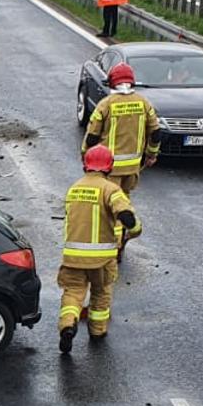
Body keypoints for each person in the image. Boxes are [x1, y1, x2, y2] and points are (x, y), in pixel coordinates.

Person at [57, 145, 139, 353]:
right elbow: (125, 214)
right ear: (109, 167)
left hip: (73, 257)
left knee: (73, 294)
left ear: (86, 165)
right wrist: (135, 229)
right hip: (102, 259)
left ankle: (68, 324)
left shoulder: (73, 189)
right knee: (101, 294)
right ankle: (97, 331)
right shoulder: (110, 189)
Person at [82, 62, 161, 194]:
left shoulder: (106, 104)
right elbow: (156, 132)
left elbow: (92, 136)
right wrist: (151, 155)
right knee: (124, 200)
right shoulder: (144, 103)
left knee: (108, 203)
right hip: (133, 167)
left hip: (107, 166)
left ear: (112, 82)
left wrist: (85, 154)